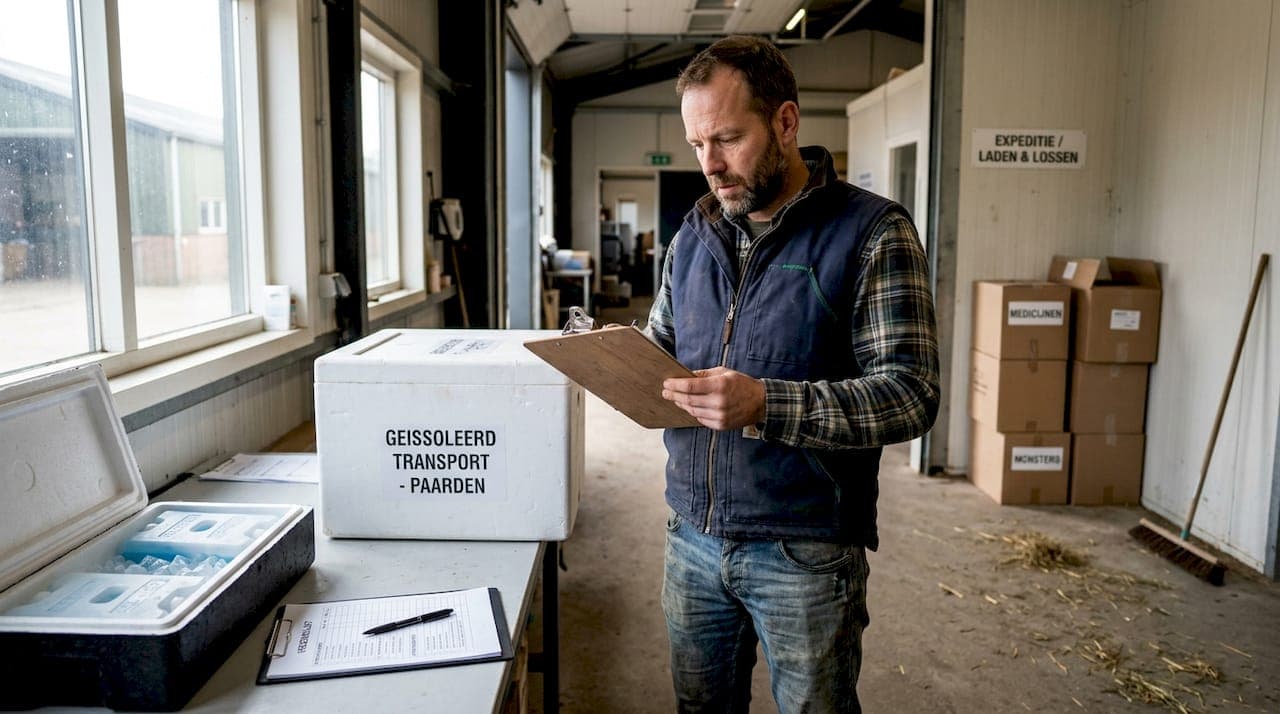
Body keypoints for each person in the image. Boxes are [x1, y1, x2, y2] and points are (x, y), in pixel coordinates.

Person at [644, 35, 940, 713]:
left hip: (803, 552)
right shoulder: (694, 233)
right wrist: (610, 358)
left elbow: (910, 395)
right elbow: (660, 344)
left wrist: (765, 404)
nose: (709, 166)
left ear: (785, 122)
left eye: (726, 138)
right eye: (696, 145)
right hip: (692, 534)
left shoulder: (871, 233)